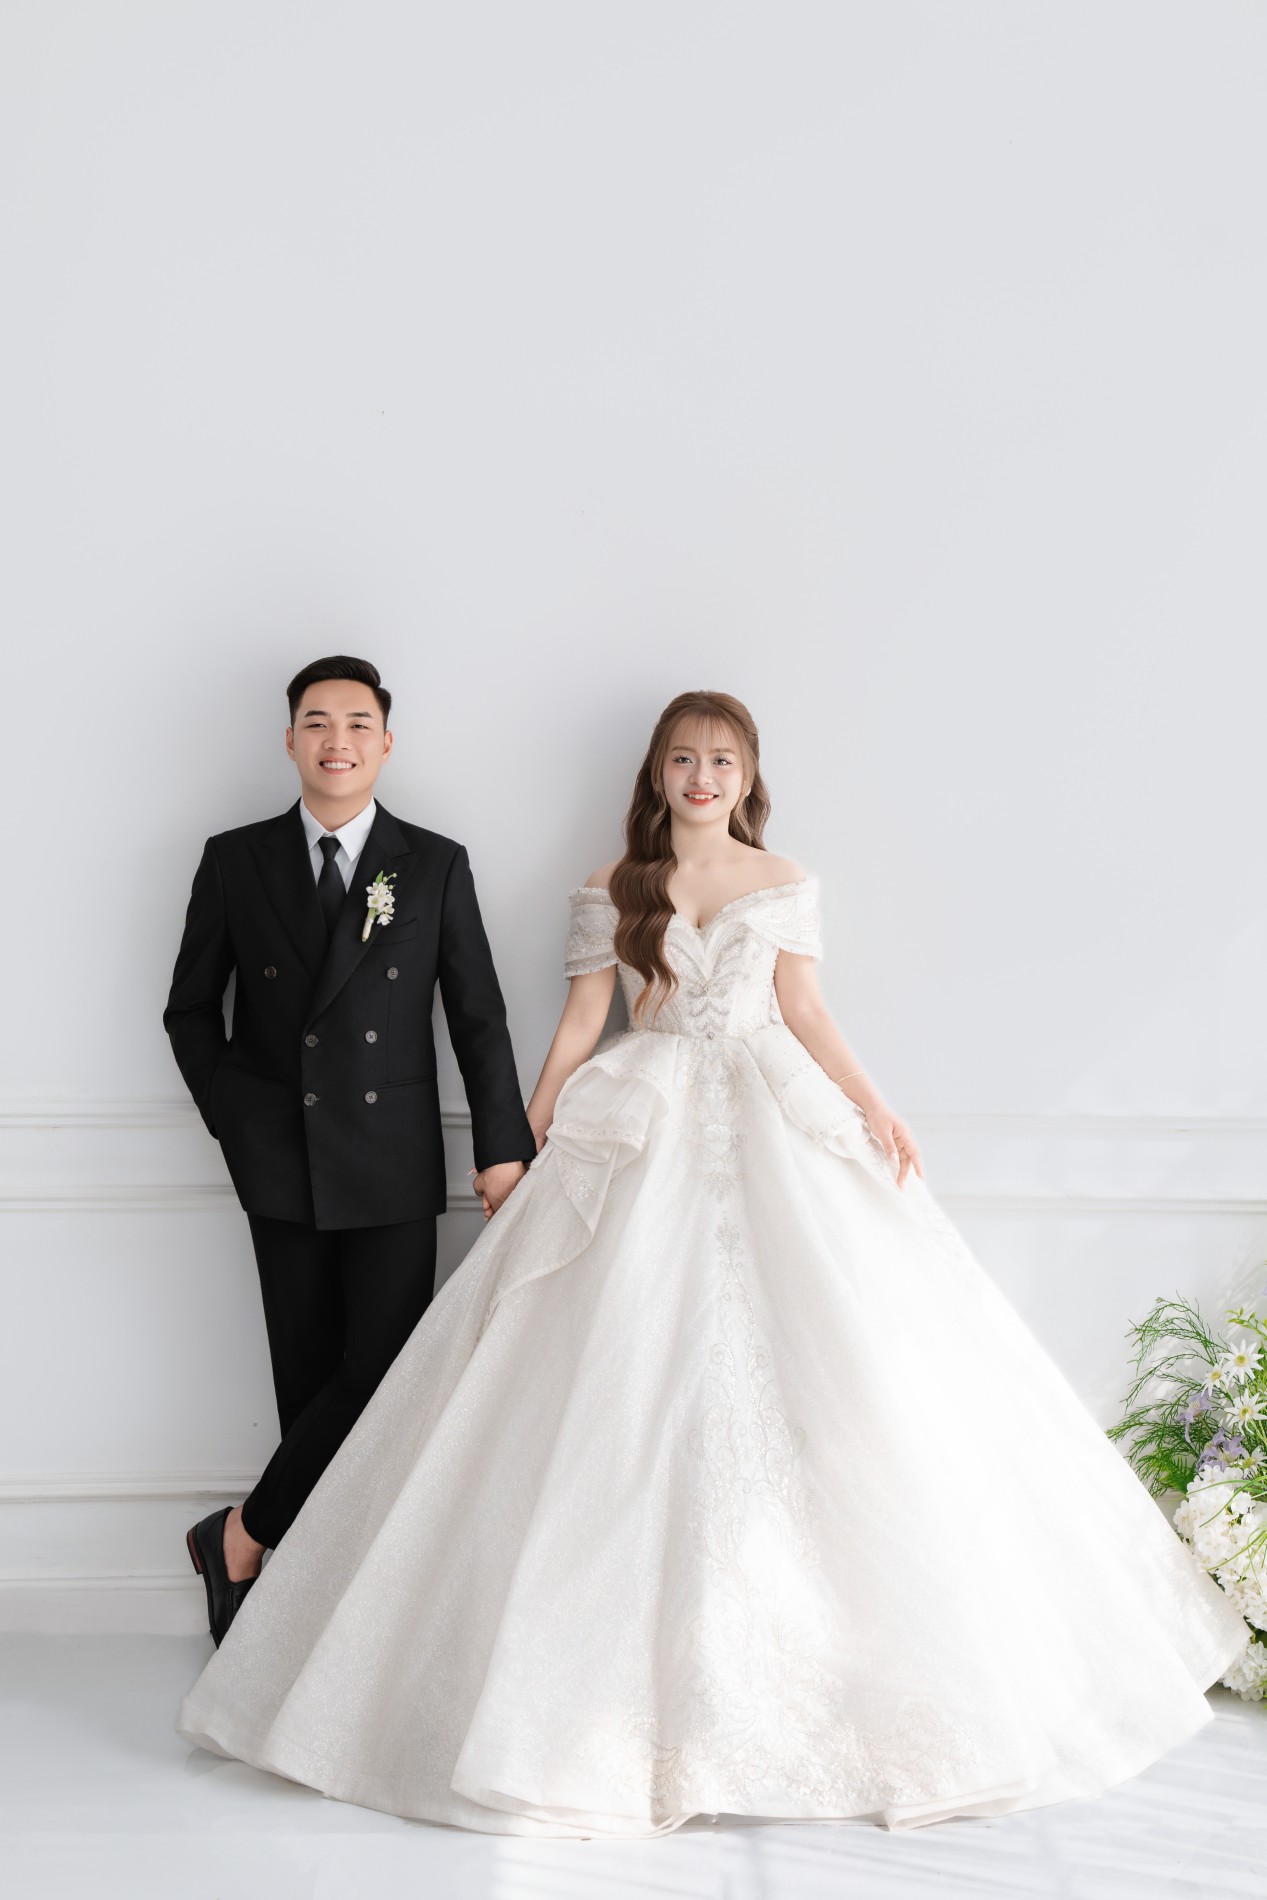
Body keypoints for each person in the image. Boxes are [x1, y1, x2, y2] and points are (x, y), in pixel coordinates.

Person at [176, 688, 1247, 1836]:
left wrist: (874, 1105)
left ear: (746, 775)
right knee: (619, 1362)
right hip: (644, 1113)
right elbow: (583, 1023)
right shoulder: (613, 884)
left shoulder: (781, 879)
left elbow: (806, 1011)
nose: (700, 776)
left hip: (769, 1104)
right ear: (659, 772)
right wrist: (521, 1139)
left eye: (721, 760)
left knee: (840, 1351)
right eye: (683, 758)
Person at [164, 656, 535, 1647]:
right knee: (305, 1378)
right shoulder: (235, 860)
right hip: (279, 1157)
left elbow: (479, 1017)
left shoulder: (432, 863)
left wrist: (503, 1146)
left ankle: (238, 1536)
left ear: (385, 742)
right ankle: (301, 1603)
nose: (338, 740)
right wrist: (239, 1118)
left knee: (384, 1371)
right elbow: (190, 1011)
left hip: (391, 1157)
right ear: (290, 739)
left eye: (357, 723)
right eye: (318, 722)